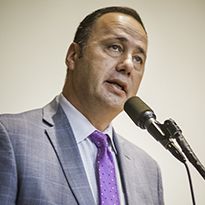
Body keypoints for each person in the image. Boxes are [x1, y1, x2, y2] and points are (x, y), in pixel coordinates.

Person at [0, 6, 164, 205]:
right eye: (115, 47)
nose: (128, 65)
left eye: (138, 59)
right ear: (73, 56)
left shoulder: (149, 171)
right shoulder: (10, 137)